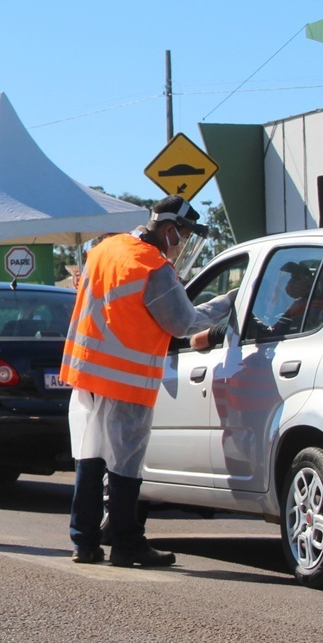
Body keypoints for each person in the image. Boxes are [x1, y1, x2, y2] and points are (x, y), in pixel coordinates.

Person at [61, 195, 236, 567]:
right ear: (171, 230)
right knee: (125, 463)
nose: (183, 245)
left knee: (90, 457)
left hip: (87, 372)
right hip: (126, 377)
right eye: (184, 236)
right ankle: (127, 544)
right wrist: (228, 302)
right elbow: (182, 323)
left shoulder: (105, 249)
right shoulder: (152, 265)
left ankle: (84, 541)